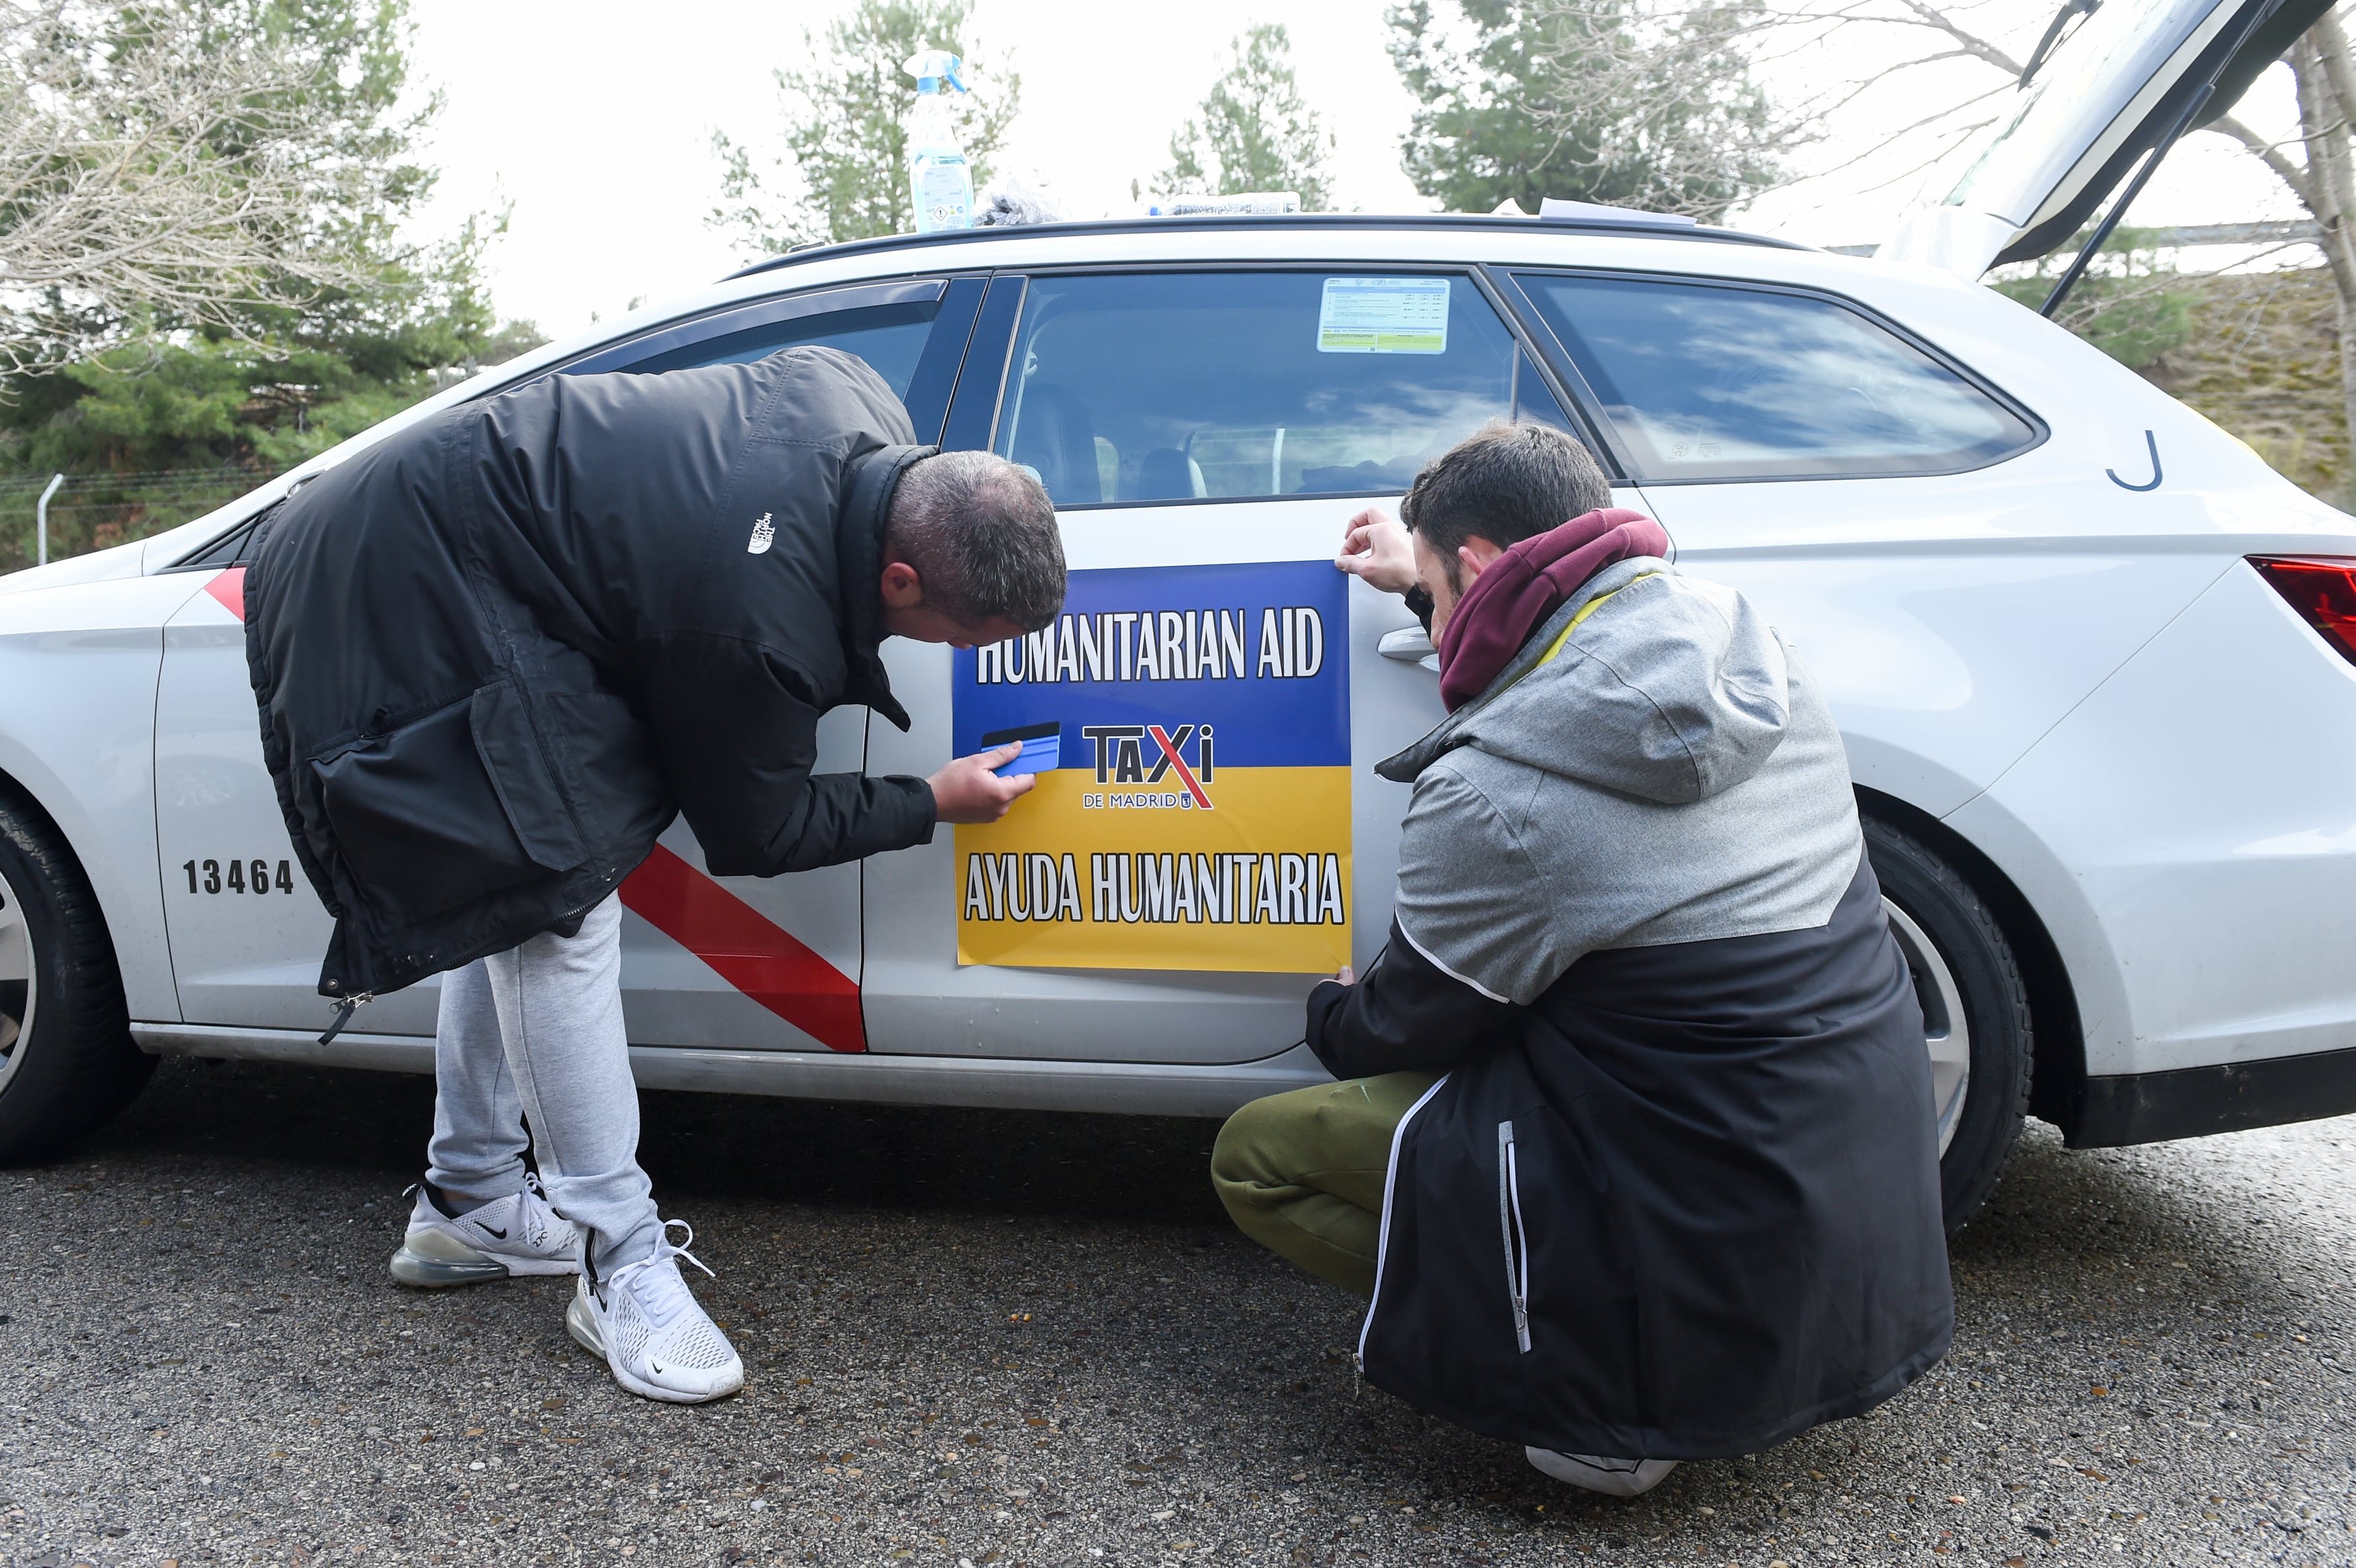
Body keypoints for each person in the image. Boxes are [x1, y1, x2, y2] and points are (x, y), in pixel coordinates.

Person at [245, 346, 1066, 1404]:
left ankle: (470, 1202)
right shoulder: (759, 615)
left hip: (464, 531)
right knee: (554, 897)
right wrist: (933, 800)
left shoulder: (858, 393)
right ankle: (617, 1258)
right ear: (900, 576)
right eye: (958, 633)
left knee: (518, 890)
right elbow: (757, 830)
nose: (953, 652)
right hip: (397, 570)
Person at [1210, 421, 1951, 1495]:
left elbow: (1399, 1025)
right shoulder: (1746, 645)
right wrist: (1420, 586)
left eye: (1432, 582)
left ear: (1472, 562)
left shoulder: (1489, 794)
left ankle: (1593, 1380)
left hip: (1681, 1183)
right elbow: (1559, 674)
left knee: (1258, 1154)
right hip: (1847, 1191)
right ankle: (1683, 1337)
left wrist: (1326, 1007)